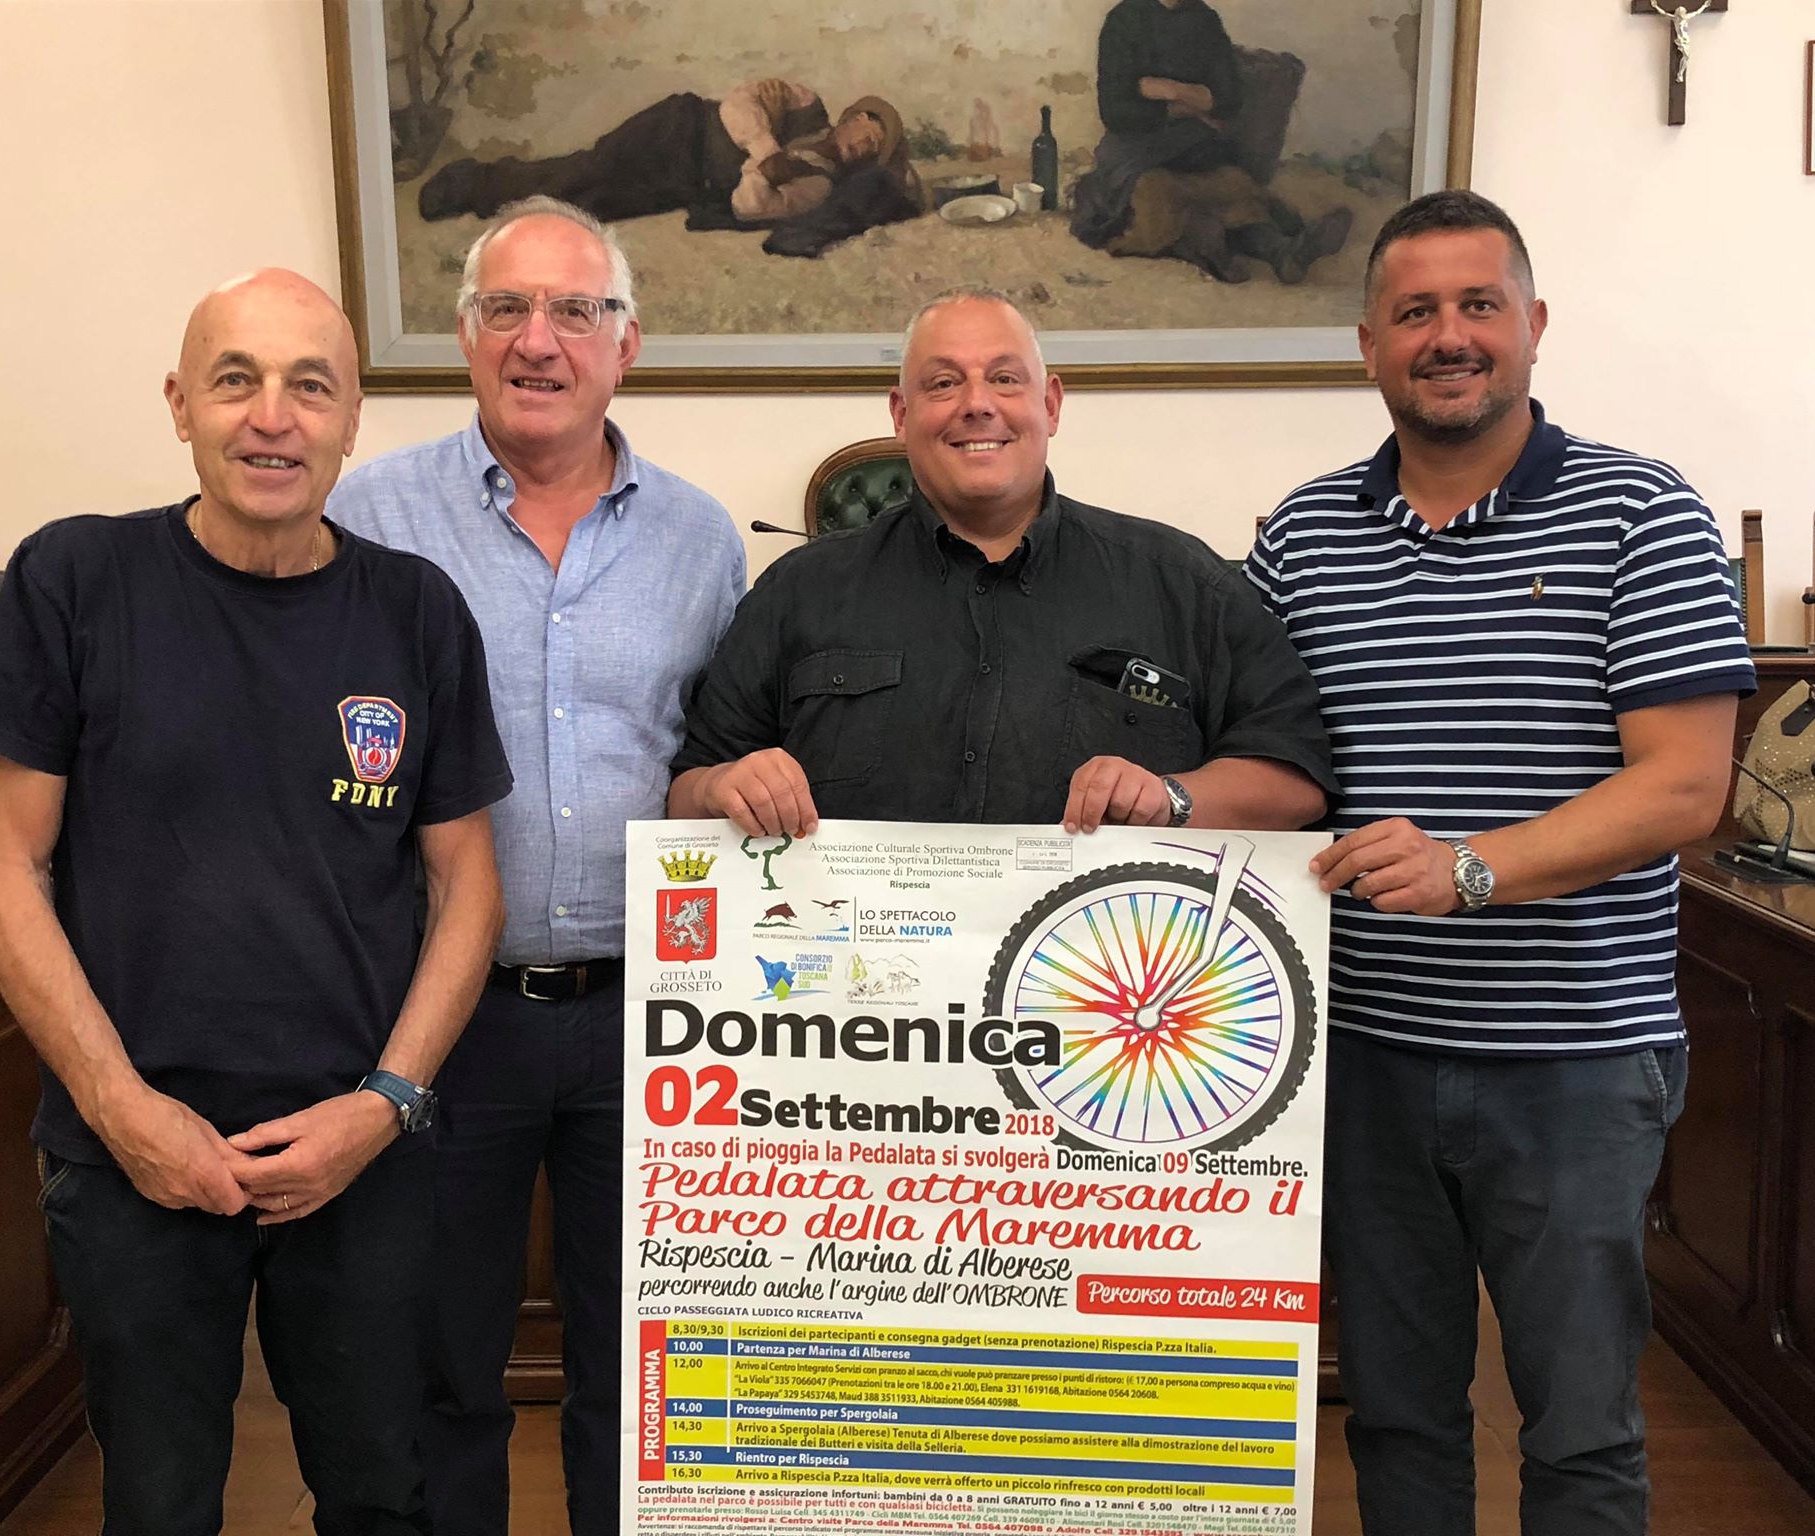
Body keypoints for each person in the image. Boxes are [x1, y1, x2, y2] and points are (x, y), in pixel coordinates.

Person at [0, 269, 512, 1536]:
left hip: (359, 1149)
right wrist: (123, 1110)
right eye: (235, 380)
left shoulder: (416, 610)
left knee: (382, 1494)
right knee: (157, 1504)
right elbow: (2, 872)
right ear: (178, 405)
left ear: (351, 417)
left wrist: (384, 1105)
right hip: (133, 1153)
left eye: (310, 386)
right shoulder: (74, 579)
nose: (272, 416)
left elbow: (466, 882)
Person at [1244, 190, 1756, 1536]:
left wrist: (1470, 870)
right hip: (1362, 1059)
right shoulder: (1301, 536)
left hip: (1575, 1062)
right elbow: (1266, 763)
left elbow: (1686, 784)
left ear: (1533, 325)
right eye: (1414, 311)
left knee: (1580, 1428)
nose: (1449, 336)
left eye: (1479, 305)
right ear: (1368, 344)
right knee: (1395, 1414)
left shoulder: (1640, 513)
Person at [326, 196, 745, 1536]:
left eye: (575, 310)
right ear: (466, 335)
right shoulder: (369, 516)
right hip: (446, 1015)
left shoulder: (701, 538)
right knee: (442, 1355)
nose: (538, 339)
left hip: (652, 1017)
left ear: (627, 343)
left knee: (643, 1358)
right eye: (506, 308)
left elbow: (717, 751)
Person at [670, 285, 1333, 840]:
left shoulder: (1182, 583)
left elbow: (1296, 778)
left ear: (1051, 405)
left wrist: (1171, 799)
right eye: (943, 383)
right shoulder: (798, 591)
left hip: (1099, 958)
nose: (977, 403)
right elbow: (684, 795)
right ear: (901, 414)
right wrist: (724, 786)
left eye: (1005, 379)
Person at [1071, 0, 1350, 283]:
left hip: (1194, 148)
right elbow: (1116, 112)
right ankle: (1206, 249)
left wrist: (1168, 89)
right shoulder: (1124, 19)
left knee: (1234, 189)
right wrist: (1193, 103)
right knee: (1158, 197)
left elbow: (1228, 100)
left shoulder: (1204, 20)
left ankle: (1282, 253)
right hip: (1135, 153)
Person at [418, 79, 921, 233]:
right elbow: (739, 103)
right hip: (678, 128)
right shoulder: (805, 102)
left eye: (873, 150)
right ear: (856, 115)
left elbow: (750, 206)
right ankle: (474, 183)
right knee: (586, 169)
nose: (864, 144)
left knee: (588, 208)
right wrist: (766, 149)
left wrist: (760, 172)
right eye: (869, 130)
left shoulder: (819, 184)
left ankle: (499, 209)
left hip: (687, 182)